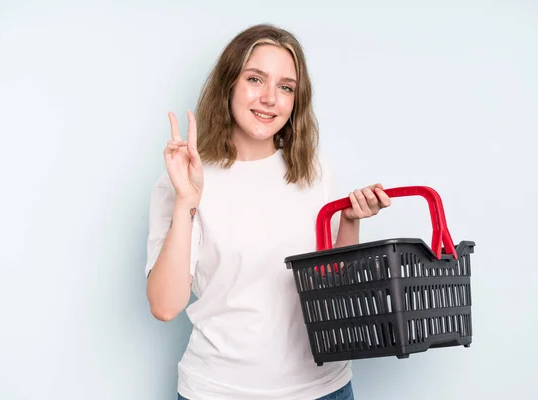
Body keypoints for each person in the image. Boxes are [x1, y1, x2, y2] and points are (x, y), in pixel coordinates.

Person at [144, 23, 391, 400]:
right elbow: (165, 305)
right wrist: (186, 201)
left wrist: (350, 222)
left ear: (296, 99)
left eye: (286, 87)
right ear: (229, 83)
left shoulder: (313, 168)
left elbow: (331, 287)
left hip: (324, 389)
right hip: (220, 391)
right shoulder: (183, 179)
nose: (270, 98)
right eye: (255, 79)